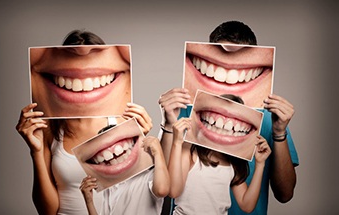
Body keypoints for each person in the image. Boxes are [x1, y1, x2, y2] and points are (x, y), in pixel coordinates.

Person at [158, 21, 298, 215]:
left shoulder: (270, 118)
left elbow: (285, 194)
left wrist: (279, 133)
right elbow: (162, 186)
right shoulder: (183, 111)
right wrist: (167, 125)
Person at [16, 30, 152, 215]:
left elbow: (146, 194)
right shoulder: (49, 130)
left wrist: (145, 145)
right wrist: (36, 152)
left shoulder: (124, 122)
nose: (82, 54)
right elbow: (46, 211)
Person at [168, 94, 271, 214]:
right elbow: (173, 192)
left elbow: (247, 205)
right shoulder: (190, 150)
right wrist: (176, 143)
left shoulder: (233, 163)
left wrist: (260, 163)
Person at [79, 135, 170, 215]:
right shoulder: (110, 187)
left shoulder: (148, 176)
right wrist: (89, 201)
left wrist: (158, 153)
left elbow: (161, 190)